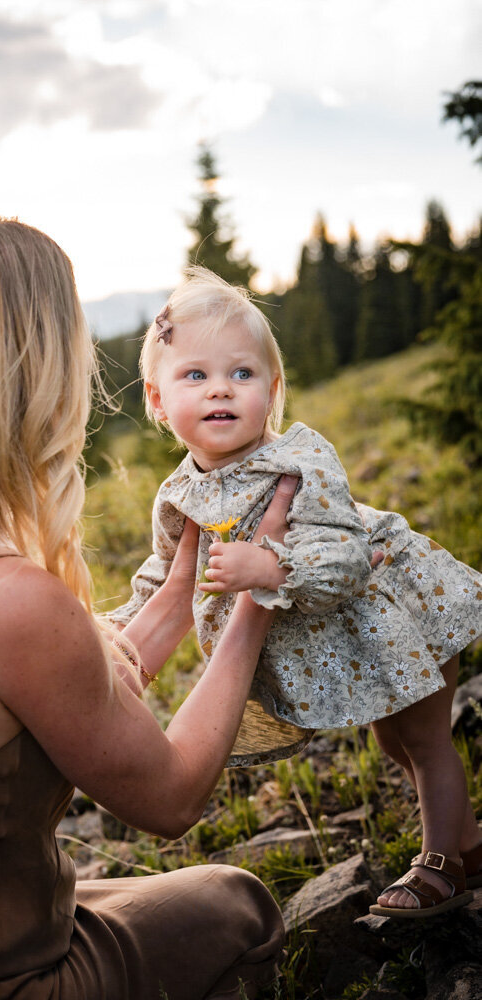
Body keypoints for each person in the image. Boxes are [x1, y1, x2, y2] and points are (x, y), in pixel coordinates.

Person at [0, 216, 295, 1000]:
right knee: (234, 899)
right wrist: (257, 603)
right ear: (28, 368)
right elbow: (170, 796)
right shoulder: (10, 602)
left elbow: (69, 700)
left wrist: (178, 593)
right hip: (4, 983)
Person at [109, 266, 482, 920]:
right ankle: (467, 841)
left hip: (392, 607)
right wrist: (110, 625)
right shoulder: (180, 491)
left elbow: (344, 558)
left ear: (272, 390)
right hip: (350, 638)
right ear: (158, 400)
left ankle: (442, 863)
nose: (221, 389)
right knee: (391, 743)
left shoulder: (300, 459)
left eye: (242, 374)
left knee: (422, 739)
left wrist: (271, 567)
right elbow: (165, 574)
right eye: (194, 375)